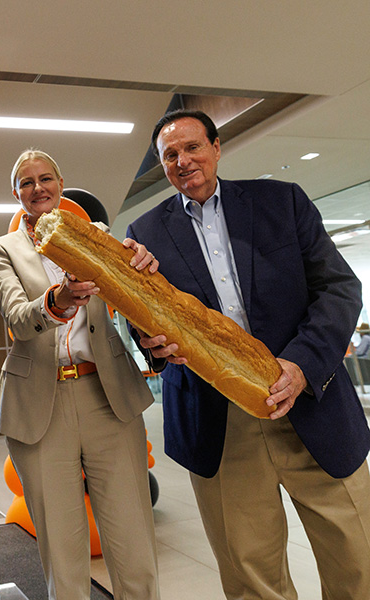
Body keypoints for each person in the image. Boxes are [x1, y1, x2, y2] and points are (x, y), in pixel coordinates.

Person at [127, 110, 370, 599]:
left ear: (217, 148)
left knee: (357, 557)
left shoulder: (281, 202)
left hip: (310, 403)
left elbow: (340, 289)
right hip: (219, 420)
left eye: (192, 147)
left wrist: (301, 365)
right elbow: (145, 321)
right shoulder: (146, 231)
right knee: (250, 574)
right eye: (170, 155)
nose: (183, 160)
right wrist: (150, 339)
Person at [0, 149, 161, 600]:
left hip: (108, 397)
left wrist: (141, 267)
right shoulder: (1, 250)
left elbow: (135, 299)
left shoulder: (95, 235)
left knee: (133, 540)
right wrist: (55, 302)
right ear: (16, 194)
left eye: (46, 178)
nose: (37, 188)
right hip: (40, 405)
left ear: (61, 186)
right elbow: (19, 320)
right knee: (62, 553)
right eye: (27, 182)